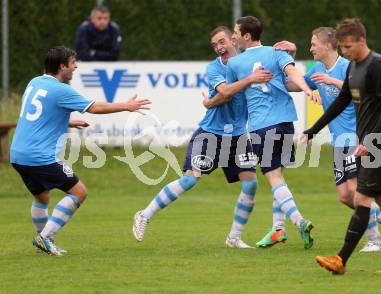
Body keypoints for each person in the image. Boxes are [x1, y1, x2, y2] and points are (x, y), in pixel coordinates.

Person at [132, 26, 273, 248]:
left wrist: (285, 51)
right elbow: (225, 93)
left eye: (221, 42)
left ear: (234, 40)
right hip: (210, 133)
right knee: (190, 178)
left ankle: (234, 237)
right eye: (214, 45)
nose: (219, 48)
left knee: (251, 185)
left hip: (238, 136)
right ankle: (144, 215)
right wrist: (249, 80)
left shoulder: (248, 64)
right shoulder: (214, 68)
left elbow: (269, 68)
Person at [10, 46, 150, 256]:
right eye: (73, 63)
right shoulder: (61, 90)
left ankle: (45, 244)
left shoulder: (34, 83)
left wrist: (67, 121)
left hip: (18, 155)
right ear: (62, 66)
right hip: (39, 157)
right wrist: (126, 106)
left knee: (42, 198)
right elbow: (95, 107)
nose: (76, 67)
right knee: (79, 192)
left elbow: (38, 116)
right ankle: (45, 237)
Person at [301, 18, 381, 273]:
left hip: (378, 142)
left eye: (348, 47)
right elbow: (341, 102)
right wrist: (313, 130)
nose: (344, 52)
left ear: (362, 41)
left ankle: (341, 259)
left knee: (361, 196)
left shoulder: (379, 66)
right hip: (367, 142)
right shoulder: (353, 67)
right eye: (341, 47)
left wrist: (370, 140)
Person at [269, 28, 381, 252]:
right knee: (345, 197)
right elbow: (293, 84)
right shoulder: (317, 69)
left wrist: (332, 82)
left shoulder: (348, 67)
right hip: (338, 141)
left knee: (356, 190)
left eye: (314, 43)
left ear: (327, 45)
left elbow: (363, 94)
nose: (311, 48)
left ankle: (375, 240)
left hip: (356, 136)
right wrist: (287, 61)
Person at [226, 16, 319, 250]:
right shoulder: (277, 52)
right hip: (286, 122)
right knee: (279, 177)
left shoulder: (235, 64)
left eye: (236, 32)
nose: (233, 36)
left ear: (247, 36)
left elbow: (229, 92)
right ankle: (278, 229)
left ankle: (299, 221)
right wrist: (308, 90)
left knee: (274, 178)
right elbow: (293, 73)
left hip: (261, 126)